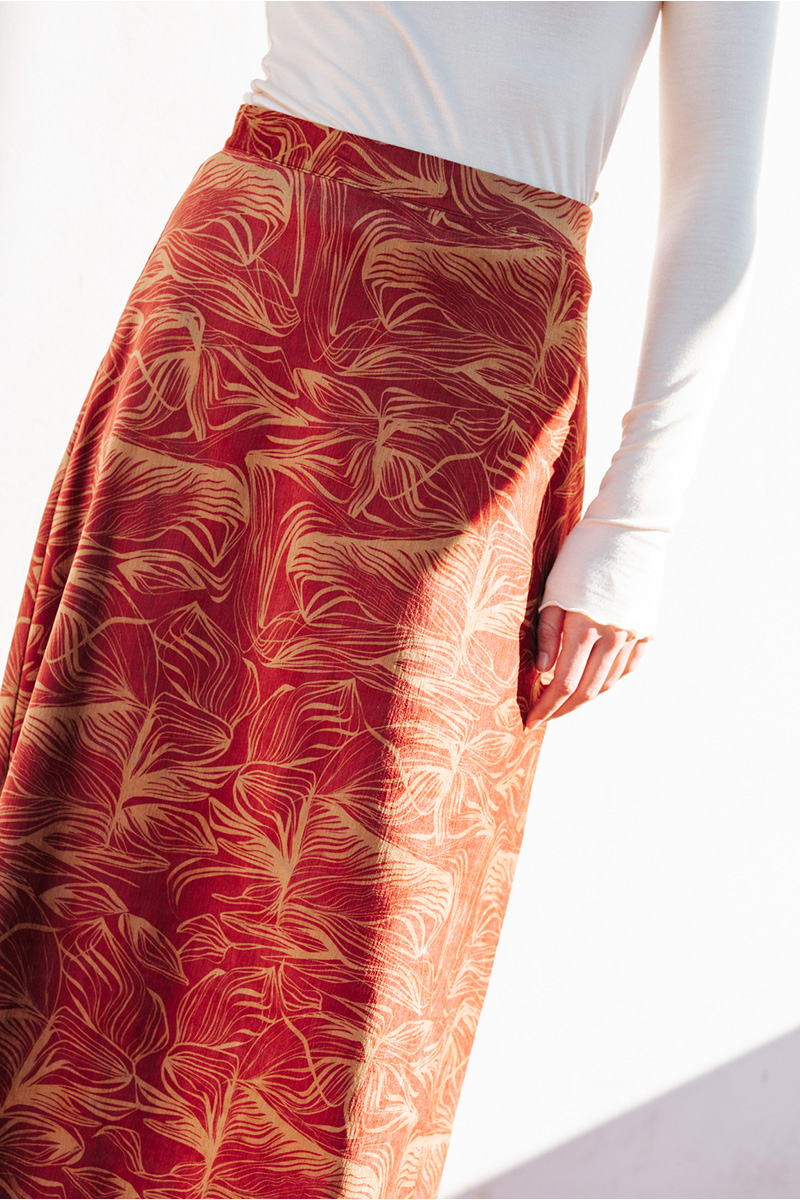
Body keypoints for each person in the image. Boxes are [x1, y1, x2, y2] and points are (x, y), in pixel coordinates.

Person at [0, 3, 777, 1199]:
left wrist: (637, 518)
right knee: (119, 797)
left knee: (373, 876)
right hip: (239, 298)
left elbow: (715, 194)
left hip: (468, 373)